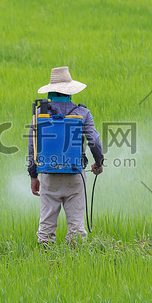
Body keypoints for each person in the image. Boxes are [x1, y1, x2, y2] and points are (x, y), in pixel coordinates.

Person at [28, 66, 104, 246]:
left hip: (49, 175)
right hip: (75, 175)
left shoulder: (40, 113)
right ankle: (75, 265)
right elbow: (94, 140)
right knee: (77, 228)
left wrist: (33, 175)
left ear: (51, 90)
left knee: (46, 227)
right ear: (70, 91)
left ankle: (45, 263)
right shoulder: (82, 113)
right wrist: (98, 162)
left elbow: (33, 147)